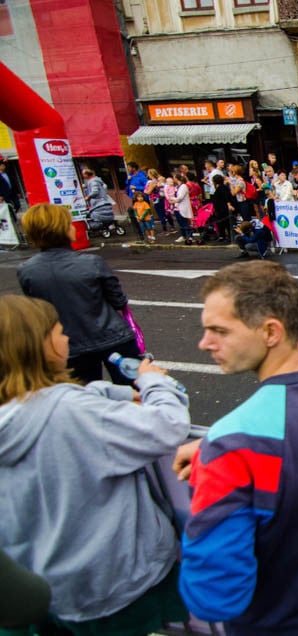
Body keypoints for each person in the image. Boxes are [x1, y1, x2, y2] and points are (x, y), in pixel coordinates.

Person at [171, 261, 298, 634]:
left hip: (282, 622)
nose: (205, 343)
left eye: (219, 330)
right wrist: (215, 446)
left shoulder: (233, 447)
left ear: (271, 331)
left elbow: (213, 596)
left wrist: (216, 458)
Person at [0, 294, 190, 635]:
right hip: (113, 583)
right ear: (38, 347)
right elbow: (167, 426)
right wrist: (153, 382)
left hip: (47, 587)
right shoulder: (69, 413)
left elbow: (61, 404)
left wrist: (106, 392)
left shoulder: (17, 413)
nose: (67, 338)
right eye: (58, 331)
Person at [18, 204, 140, 384]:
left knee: (83, 400)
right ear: (62, 229)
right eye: (69, 223)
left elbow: (38, 310)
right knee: (133, 390)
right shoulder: (92, 263)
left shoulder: (26, 271)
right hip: (111, 335)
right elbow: (118, 299)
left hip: (68, 344)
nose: (73, 227)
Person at [211, 173, 235, 242]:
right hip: (220, 208)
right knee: (223, 223)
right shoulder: (223, 187)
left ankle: (225, 236)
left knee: (224, 222)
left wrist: (229, 205)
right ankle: (223, 235)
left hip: (222, 209)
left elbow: (226, 198)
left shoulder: (221, 188)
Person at [173, 173, 195, 245]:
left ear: (176, 178)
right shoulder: (177, 186)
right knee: (180, 223)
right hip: (177, 207)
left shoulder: (183, 186)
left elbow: (180, 197)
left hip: (182, 207)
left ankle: (189, 236)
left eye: (174, 177)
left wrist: (172, 199)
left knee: (185, 222)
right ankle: (183, 235)